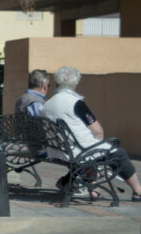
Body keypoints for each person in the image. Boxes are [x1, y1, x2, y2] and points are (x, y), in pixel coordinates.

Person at [40, 66, 141, 201]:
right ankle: (138, 191)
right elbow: (98, 130)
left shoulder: (46, 106)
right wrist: (97, 144)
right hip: (77, 151)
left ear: (57, 83)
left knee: (92, 153)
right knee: (117, 153)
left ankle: (93, 189)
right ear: (75, 84)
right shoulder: (76, 103)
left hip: (58, 152)